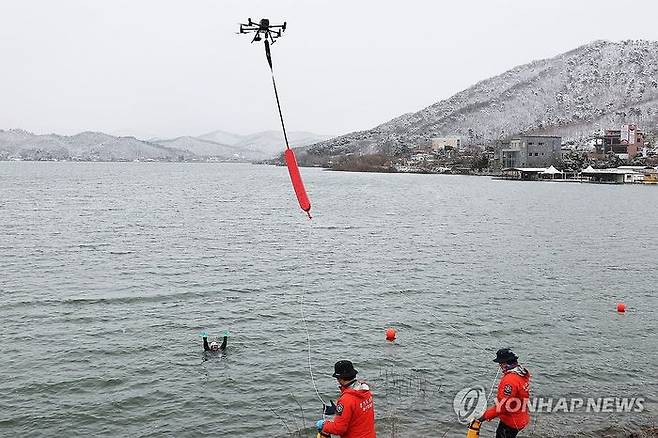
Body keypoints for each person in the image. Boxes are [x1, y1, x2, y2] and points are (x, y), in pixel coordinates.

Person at [478, 348, 531, 438]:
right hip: (521, 416)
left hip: (512, 421)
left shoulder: (510, 380)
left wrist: (484, 417)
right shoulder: (522, 373)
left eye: (500, 363)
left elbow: (503, 406)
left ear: (505, 363)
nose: (499, 366)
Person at [316, 360, 376, 438]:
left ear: (339, 379)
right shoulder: (365, 391)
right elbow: (358, 412)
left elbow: (339, 429)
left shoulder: (346, 399)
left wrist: (324, 425)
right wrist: (338, 410)